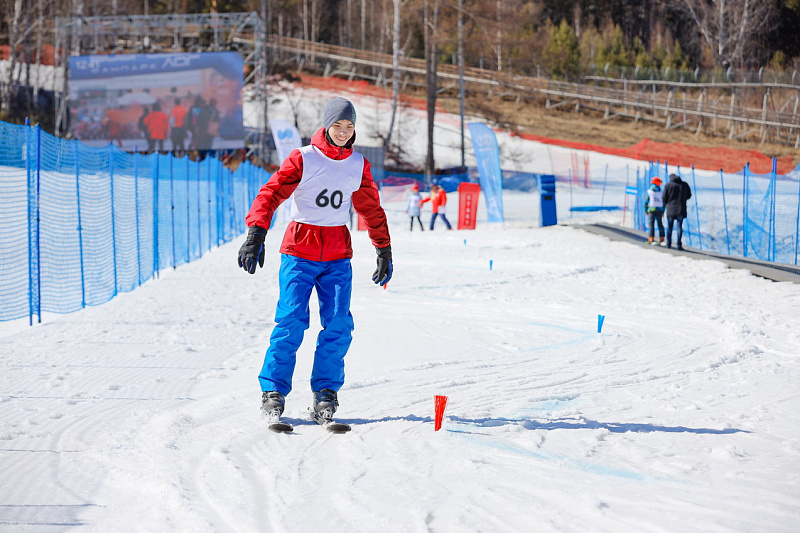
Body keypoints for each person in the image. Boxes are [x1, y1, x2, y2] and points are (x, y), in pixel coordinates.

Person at [237, 96, 393, 426]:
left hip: (337, 252)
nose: (343, 131)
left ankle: (325, 393)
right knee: (291, 320)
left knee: (338, 324)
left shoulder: (358, 164)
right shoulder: (304, 157)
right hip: (300, 249)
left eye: (349, 126)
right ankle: (273, 391)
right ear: (326, 125)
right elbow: (271, 193)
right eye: (337, 125)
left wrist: (383, 249)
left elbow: (370, 208)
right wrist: (256, 234)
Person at [662, 173, 693, 250]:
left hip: (670, 209)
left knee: (670, 227)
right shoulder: (684, 185)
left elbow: (664, 197)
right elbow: (689, 195)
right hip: (681, 209)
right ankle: (679, 244)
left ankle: (668, 243)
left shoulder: (668, 185)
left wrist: (666, 204)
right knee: (679, 227)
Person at [644, 176, 665, 245]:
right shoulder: (661, 192)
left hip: (651, 209)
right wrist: (663, 211)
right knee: (660, 224)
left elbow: (646, 202)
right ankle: (662, 239)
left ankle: (651, 239)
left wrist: (646, 210)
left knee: (651, 224)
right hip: (659, 209)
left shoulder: (649, 191)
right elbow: (664, 202)